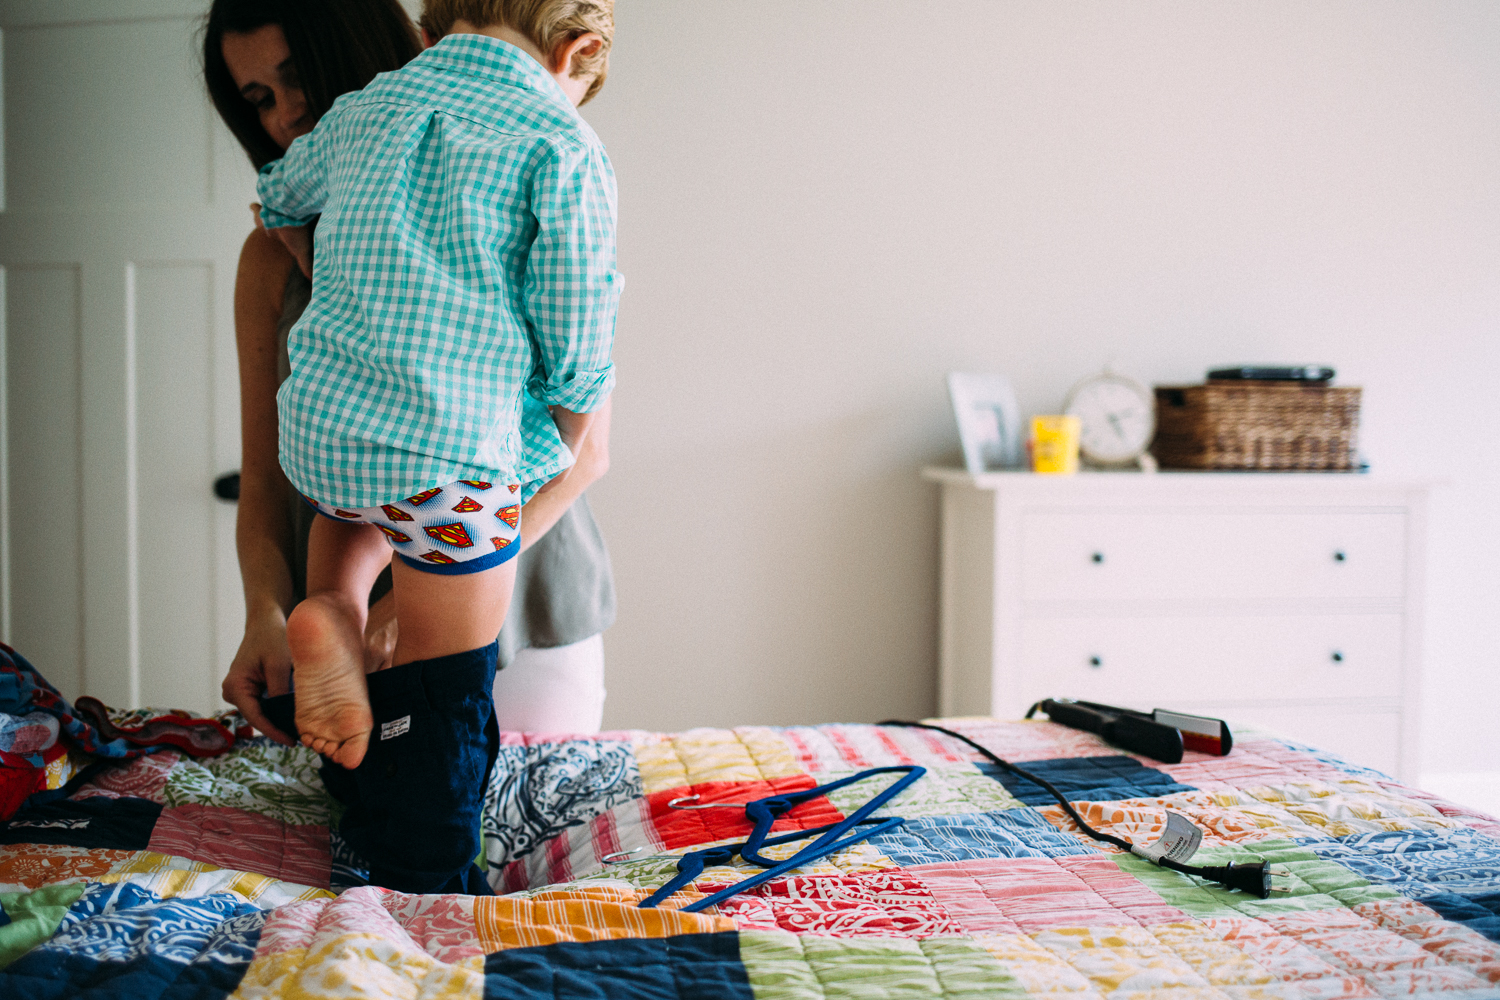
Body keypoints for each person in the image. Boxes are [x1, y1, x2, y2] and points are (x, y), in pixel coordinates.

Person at [205, 0, 619, 894]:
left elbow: (591, 456)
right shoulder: (557, 144)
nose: (281, 116)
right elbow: (579, 336)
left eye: (297, 78)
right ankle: (430, 889)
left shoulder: (384, 129)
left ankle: (337, 612)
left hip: (455, 550)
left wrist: (383, 614)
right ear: (576, 50)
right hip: (453, 504)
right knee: (438, 728)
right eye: (255, 98)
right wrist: (263, 614)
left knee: (412, 740)